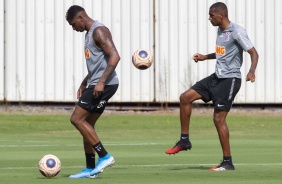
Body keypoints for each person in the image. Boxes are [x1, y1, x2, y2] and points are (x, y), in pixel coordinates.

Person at [166, 2, 258, 171]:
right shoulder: (220, 31)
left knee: (218, 119)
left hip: (230, 80)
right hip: (216, 77)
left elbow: (253, 52)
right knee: (185, 98)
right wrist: (204, 57)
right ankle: (184, 140)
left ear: (221, 15)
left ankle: (227, 162)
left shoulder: (237, 31)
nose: (209, 18)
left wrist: (251, 71)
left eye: (211, 15)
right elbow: (222, 52)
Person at [65, 5, 120, 178]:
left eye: (74, 24)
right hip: (96, 83)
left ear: (81, 18)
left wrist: (101, 82)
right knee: (86, 124)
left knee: (76, 119)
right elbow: (96, 65)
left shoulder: (99, 31)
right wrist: (84, 83)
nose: (74, 28)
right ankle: (90, 169)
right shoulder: (89, 34)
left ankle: (104, 156)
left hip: (105, 84)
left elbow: (115, 56)